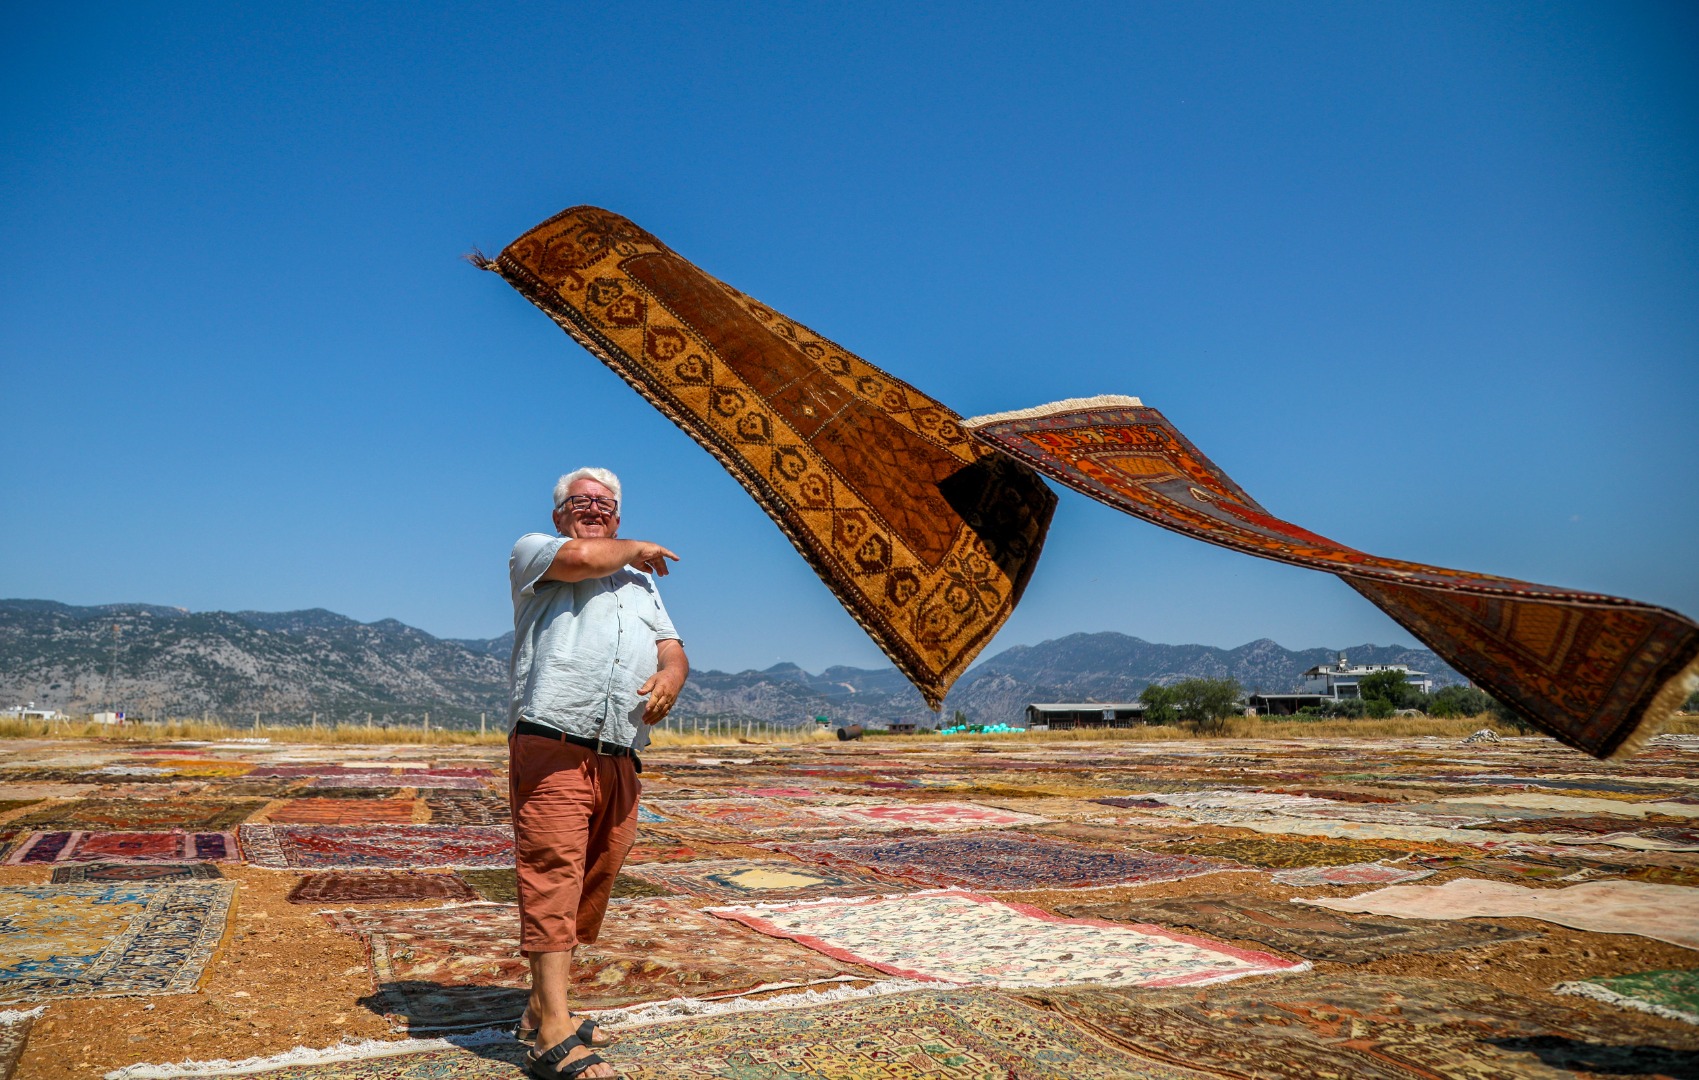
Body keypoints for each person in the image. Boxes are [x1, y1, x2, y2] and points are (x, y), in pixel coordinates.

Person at [506, 467, 687, 1080]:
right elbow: (583, 558)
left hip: (620, 748)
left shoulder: (641, 584)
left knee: (596, 872)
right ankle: (551, 1033)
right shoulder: (536, 552)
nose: (592, 509)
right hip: (555, 738)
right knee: (554, 870)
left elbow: (671, 646)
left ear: (617, 512)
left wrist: (670, 676)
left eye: (605, 504)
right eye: (580, 502)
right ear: (560, 515)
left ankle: (539, 1006)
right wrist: (635, 546)